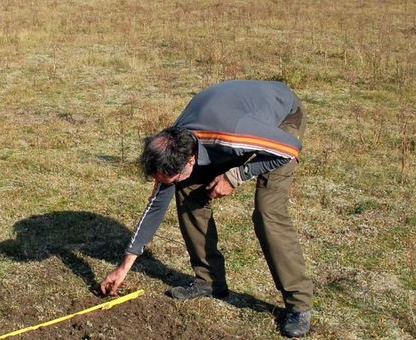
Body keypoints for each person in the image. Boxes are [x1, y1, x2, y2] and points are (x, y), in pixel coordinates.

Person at [99, 80, 314, 337]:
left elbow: (289, 148)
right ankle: (209, 281)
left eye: (173, 177)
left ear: (191, 159)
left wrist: (235, 175)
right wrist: (124, 266)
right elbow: (156, 205)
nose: (168, 184)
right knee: (187, 191)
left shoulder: (233, 133)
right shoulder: (175, 142)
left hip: (281, 121)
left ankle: (299, 305)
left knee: (268, 212)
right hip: (232, 122)